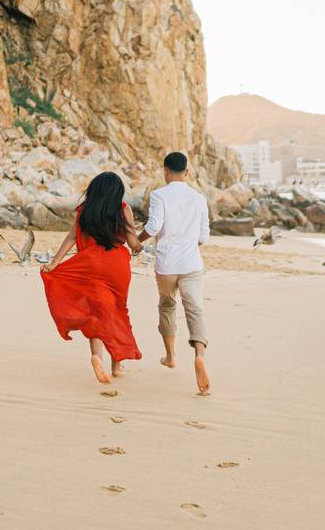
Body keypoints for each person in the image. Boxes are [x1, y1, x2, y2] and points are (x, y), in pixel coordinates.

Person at [40, 172, 143, 384]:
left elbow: (70, 238)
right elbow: (133, 242)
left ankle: (97, 356)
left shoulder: (83, 211)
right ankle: (117, 364)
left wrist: (54, 263)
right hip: (116, 267)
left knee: (95, 311)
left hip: (89, 264)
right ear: (117, 192)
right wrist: (139, 246)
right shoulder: (124, 209)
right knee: (117, 310)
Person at [137, 152, 212, 395]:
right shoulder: (198, 198)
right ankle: (199, 356)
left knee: (167, 306)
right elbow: (203, 237)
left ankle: (170, 356)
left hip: (167, 265)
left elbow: (154, 227)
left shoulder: (160, 195)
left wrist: (137, 242)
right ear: (187, 172)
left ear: (166, 172)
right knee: (195, 310)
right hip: (191, 264)